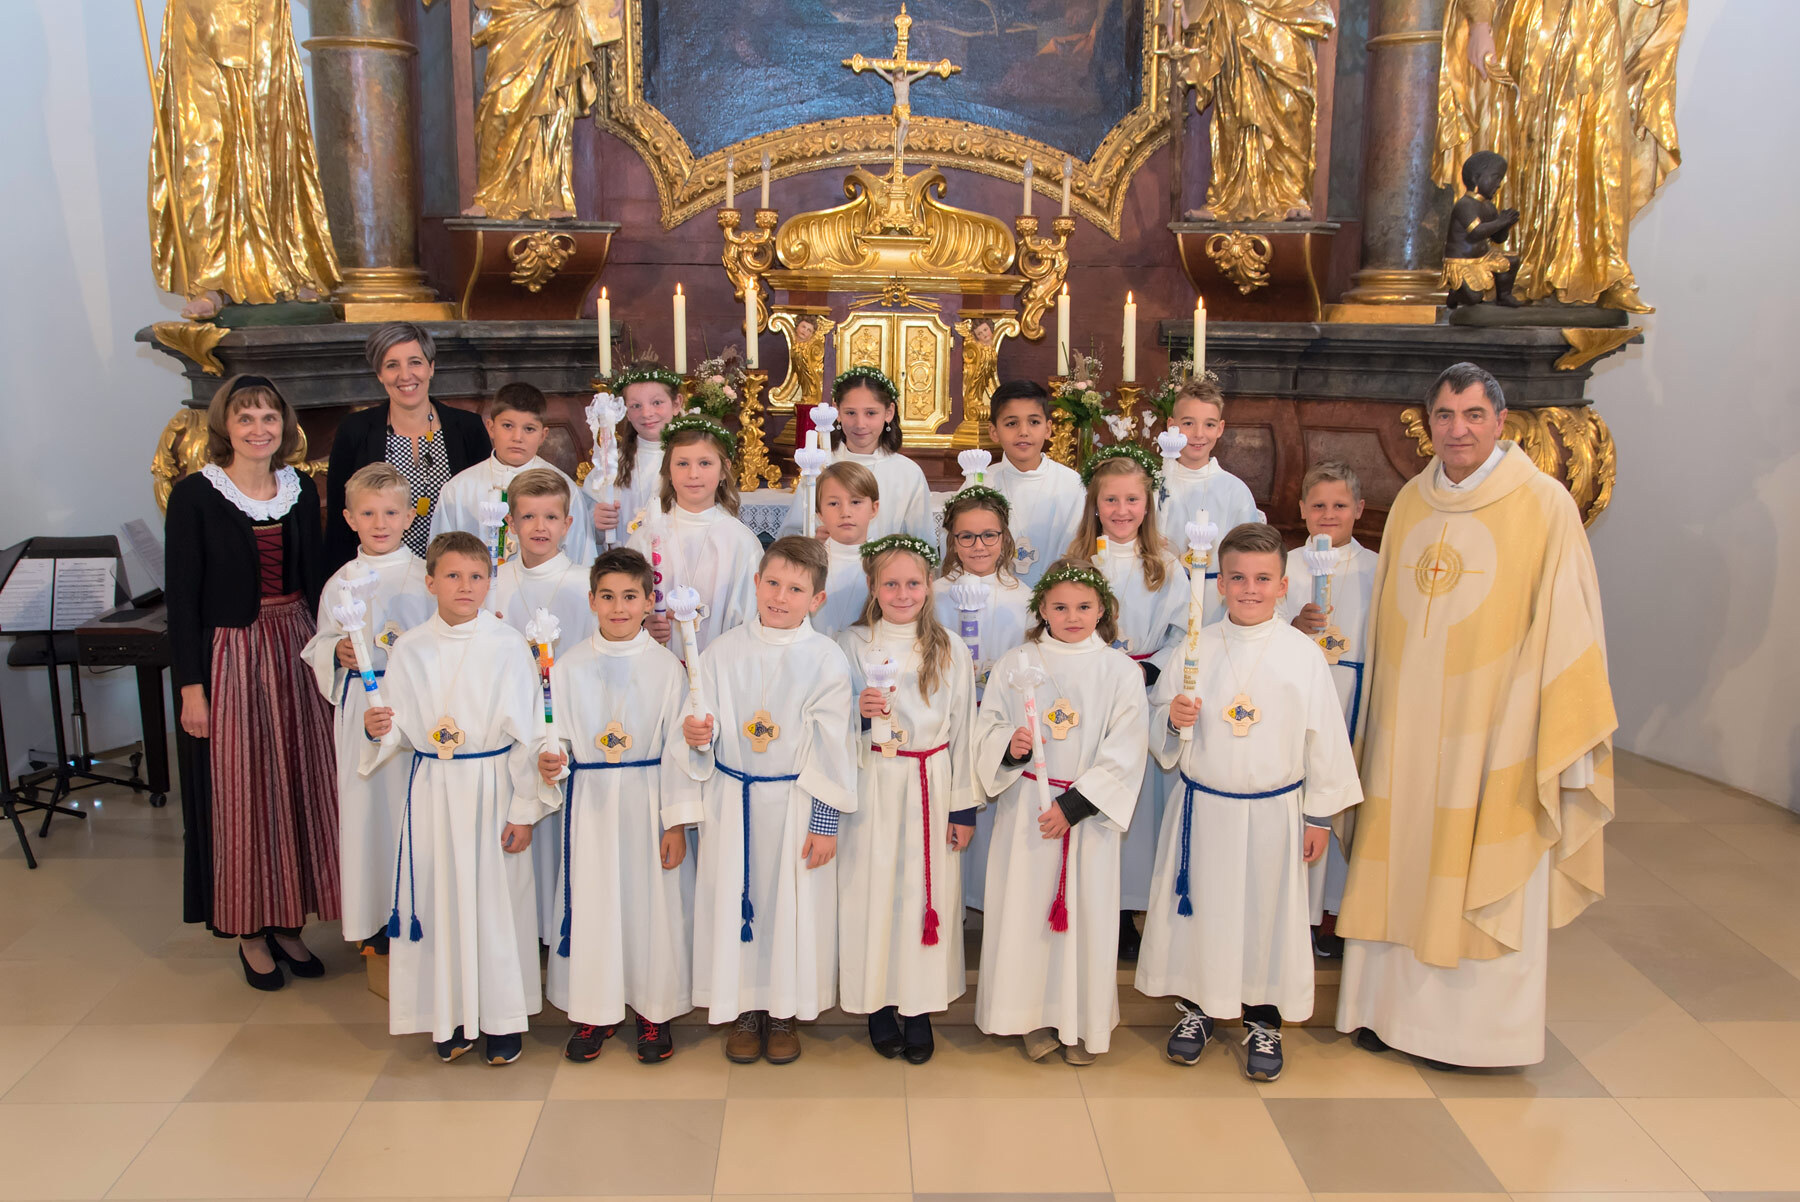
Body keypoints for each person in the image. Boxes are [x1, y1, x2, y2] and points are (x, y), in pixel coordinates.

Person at [1336, 362, 1615, 1068]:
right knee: (1400, 854)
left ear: (1500, 421)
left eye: (1472, 415)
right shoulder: (1412, 502)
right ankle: (1385, 1013)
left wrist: (1535, 717)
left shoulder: (1543, 504)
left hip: (1493, 729)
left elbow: (1569, 624)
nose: (1457, 430)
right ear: (1427, 423)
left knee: (1476, 860)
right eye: (1444, 415)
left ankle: (1474, 1037)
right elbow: (1384, 628)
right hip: (1406, 726)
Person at [1136, 523, 1363, 1081]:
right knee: (1203, 912)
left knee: (1266, 916)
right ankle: (1197, 1009)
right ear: (1220, 585)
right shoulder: (1195, 647)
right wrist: (1172, 719)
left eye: (1263, 579)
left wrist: (1318, 816)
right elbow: (1158, 719)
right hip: (1206, 809)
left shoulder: (1302, 655)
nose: (1249, 589)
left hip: (1273, 812)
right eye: (1237, 578)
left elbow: (1324, 738)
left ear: (1283, 586)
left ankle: (1264, 1020)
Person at [166, 374, 338, 991]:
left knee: (298, 783)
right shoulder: (195, 495)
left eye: (269, 417)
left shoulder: (299, 488)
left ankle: (288, 922)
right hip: (231, 654)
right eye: (246, 418)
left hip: (294, 644)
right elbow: (183, 597)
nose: (259, 429)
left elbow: (316, 577)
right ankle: (248, 930)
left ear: (283, 426)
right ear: (225, 426)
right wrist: (191, 688)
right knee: (244, 790)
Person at [361, 531, 552, 1066]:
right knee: (439, 901)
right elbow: (397, 728)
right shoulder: (410, 648)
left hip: (491, 788)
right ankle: (449, 1016)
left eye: (476, 576)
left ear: (490, 582)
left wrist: (524, 811)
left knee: (496, 906)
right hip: (434, 791)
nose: (465, 586)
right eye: (452, 576)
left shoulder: (507, 645)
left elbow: (529, 735)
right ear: (430, 583)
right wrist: (380, 729)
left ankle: (501, 1020)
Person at [682, 537, 857, 1064]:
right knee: (735, 900)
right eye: (773, 584)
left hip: (795, 802)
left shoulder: (825, 658)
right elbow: (701, 721)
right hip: (734, 799)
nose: (781, 597)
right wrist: (698, 735)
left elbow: (833, 744)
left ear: (816, 600)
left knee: (790, 910)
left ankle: (783, 1012)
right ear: (756, 584)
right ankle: (743, 1010)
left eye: (796, 589)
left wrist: (824, 823)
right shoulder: (721, 651)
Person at [974, 559, 1148, 1064]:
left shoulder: (1120, 670)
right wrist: (1012, 747)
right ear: (1042, 609)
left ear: (1103, 610)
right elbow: (988, 727)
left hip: (1086, 817)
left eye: (1084, 607)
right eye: (1061, 607)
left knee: (1085, 919)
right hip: (1028, 809)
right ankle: (1030, 1017)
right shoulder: (1017, 663)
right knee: (1027, 916)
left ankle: (1080, 1022)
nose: (1073, 617)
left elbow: (1127, 746)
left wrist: (1073, 807)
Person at [536, 548, 698, 1065]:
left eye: (630, 596)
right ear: (591, 601)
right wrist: (551, 761)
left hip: (649, 800)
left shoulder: (668, 669)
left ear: (650, 602)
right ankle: (595, 1009)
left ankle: (654, 1011)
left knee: (652, 907)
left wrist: (676, 823)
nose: (619, 607)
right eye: (607, 597)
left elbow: (679, 748)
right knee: (594, 905)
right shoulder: (567, 667)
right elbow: (552, 735)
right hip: (592, 804)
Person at [836, 534, 977, 1064]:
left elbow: (964, 728)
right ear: (872, 586)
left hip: (929, 781)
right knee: (873, 891)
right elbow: (827, 720)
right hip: (873, 778)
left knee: (923, 895)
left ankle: (918, 1007)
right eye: (890, 583)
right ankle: (876, 1004)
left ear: (929, 586)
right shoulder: (850, 643)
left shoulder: (950, 647)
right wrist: (857, 712)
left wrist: (962, 807)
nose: (902, 593)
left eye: (913, 583)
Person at [301, 463, 434, 954]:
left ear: (409, 516)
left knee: (413, 808)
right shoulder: (340, 582)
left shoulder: (426, 577)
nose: (381, 523)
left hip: (414, 703)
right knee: (368, 810)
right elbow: (320, 643)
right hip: (362, 704)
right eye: (369, 513)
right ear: (349, 518)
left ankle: (421, 906)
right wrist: (337, 651)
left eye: (391, 512)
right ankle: (375, 917)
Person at [1066, 447, 1189, 961]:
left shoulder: (1166, 567)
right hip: (1089, 692)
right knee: (1090, 786)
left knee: (1132, 806)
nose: (1121, 510)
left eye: (1132, 500)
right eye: (1110, 500)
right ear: (1094, 504)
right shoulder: (1077, 564)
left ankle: (1126, 912)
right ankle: (1083, 900)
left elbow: (1182, 634)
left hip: (1141, 688)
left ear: (1147, 505)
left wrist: (1148, 670)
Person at [486, 468, 598, 941]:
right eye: (528, 516)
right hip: (511, 722)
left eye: (551, 517)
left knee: (564, 833)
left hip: (567, 722)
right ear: (510, 523)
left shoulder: (585, 583)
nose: (539, 527)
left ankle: (561, 929)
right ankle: (524, 931)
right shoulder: (493, 582)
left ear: (568, 524)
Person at [1277, 461, 1378, 955]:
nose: (1328, 514)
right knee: (1304, 800)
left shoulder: (1376, 568)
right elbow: (1262, 624)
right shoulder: (1284, 565)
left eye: (1340, 505)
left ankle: (1335, 912)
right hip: (1298, 700)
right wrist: (1293, 626)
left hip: (1353, 694)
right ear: (1301, 510)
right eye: (1318, 505)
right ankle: (1295, 912)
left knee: (1346, 798)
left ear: (1359, 508)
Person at [931, 485, 1032, 913]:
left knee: (997, 816)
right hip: (949, 720)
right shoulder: (934, 595)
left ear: (1005, 538)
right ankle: (950, 906)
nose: (978, 545)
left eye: (989, 535)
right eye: (967, 536)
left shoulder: (1024, 598)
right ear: (952, 540)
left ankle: (991, 904)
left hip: (1001, 722)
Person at [326, 323, 491, 567]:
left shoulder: (469, 428)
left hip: (454, 575)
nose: (405, 375)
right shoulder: (355, 430)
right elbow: (338, 524)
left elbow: (485, 512)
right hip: (378, 576)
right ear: (380, 374)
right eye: (392, 365)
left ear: (431, 367)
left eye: (415, 362)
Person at [625, 414, 763, 654]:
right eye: (682, 464)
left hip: (721, 664)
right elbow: (624, 601)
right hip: (657, 663)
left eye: (705, 463)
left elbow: (752, 618)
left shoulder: (741, 542)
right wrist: (642, 623)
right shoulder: (647, 536)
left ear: (724, 470)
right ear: (668, 470)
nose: (693, 474)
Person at [431, 382, 596, 565]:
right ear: (491, 428)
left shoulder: (565, 489)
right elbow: (440, 559)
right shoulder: (458, 489)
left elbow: (581, 558)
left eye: (529, 429)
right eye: (508, 426)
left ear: (543, 435)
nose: (517, 437)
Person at [779, 368, 932, 542]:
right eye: (851, 413)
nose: (860, 424)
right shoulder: (819, 466)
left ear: (888, 412)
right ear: (837, 411)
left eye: (871, 413)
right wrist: (812, 539)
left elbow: (922, 542)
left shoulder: (908, 473)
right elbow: (790, 537)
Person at [1160, 377, 1263, 626]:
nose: (1198, 434)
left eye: (1209, 424)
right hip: (1161, 597)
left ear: (1220, 428)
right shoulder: (1153, 485)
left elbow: (1250, 556)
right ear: (1171, 425)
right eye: (1188, 423)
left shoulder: (1234, 491)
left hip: (1215, 605)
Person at [985, 381, 1086, 587]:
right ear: (994, 431)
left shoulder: (1071, 484)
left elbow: (1080, 550)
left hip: (1059, 594)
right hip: (994, 595)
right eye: (1011, 423)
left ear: (1048, 429)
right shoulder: (982, 483)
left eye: (1034, 422)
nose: (1023, 431)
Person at [586, 362, 677, 544]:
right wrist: (595, 522)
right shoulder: (610, 463)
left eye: (657, 403)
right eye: (636, 406)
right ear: (625, 412)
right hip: (625, 558)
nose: (647, 413)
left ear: (676, 404)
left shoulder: (692, 461)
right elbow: (582, 524)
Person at [812, 462, 880, 637]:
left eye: (856, 502)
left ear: (874, 508)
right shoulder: (807, 563)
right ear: (819, 513)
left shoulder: (885, 563)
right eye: (833, 503)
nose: (845, 512)